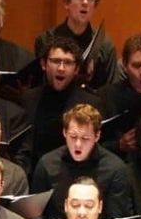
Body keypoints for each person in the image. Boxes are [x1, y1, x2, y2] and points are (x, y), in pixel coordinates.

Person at [32, 103, 133, 219]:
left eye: (85, 138)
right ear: (64, 132)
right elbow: (35, 214)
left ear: (97, 136)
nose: (78, 144)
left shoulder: (115, 169)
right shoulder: (47, 164)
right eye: (73, 136)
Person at [19, 36, 101, 176]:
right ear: (43, 64)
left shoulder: (91, 103)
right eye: (56, 61)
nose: (61, 68)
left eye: (68, 62)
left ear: (76, 69)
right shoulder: (28, 98)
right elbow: (24, 147)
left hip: (73, 175)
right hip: (34, 176)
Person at [33, 0, 120, 90]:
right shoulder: (46, 40)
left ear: (95, 6)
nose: (85, 2)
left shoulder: (105, 45)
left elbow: (110, 89)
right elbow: (39, 85)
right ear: (66, 3)